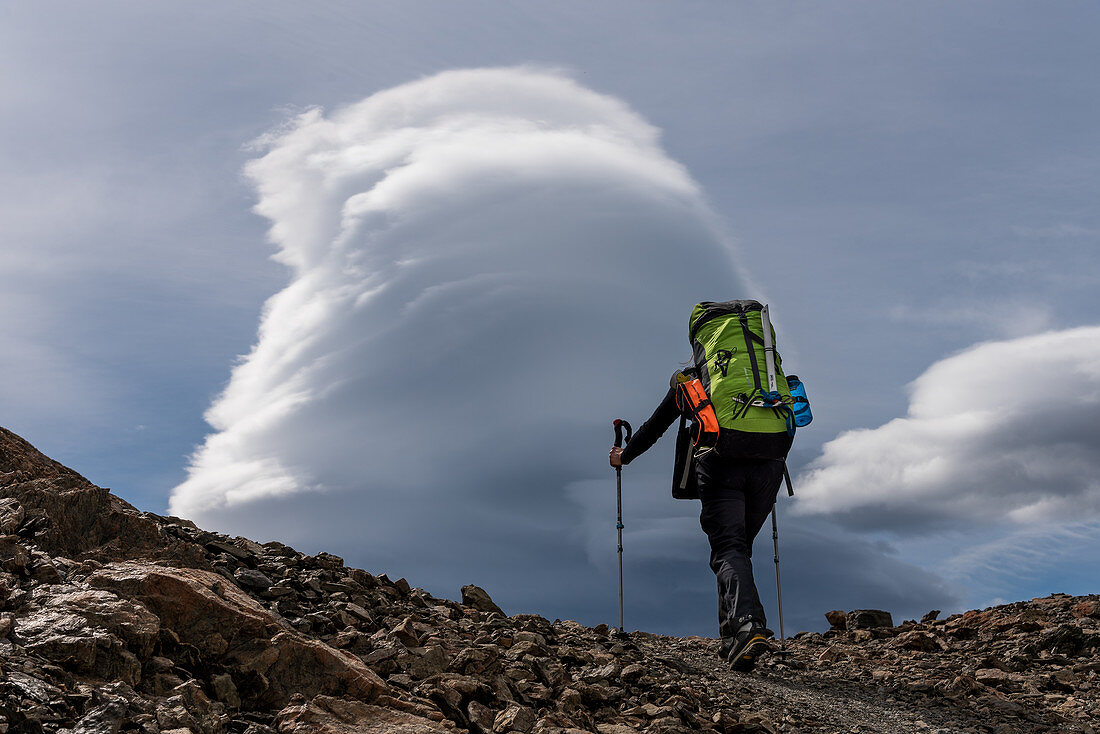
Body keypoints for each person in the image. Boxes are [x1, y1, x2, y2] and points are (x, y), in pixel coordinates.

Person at [609, 365, 793, 672]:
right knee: (736, 549)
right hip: (769, 465)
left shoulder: (690, 382)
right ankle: (731, 637)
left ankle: (748, 625)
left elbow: (655, 426)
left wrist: (623, 456)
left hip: (721, 462)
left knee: (728, 548)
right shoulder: (760, 373)